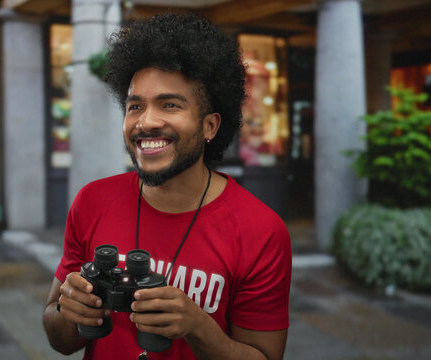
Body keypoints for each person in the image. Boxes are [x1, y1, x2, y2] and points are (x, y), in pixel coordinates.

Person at [43, 14, 291, 360]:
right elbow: (59, 339)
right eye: (135, 106)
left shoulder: (261, 231)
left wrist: (198, 327)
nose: (146, 122)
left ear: (209, 125)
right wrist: (69, 311)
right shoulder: (92, 201)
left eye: (170, 104)